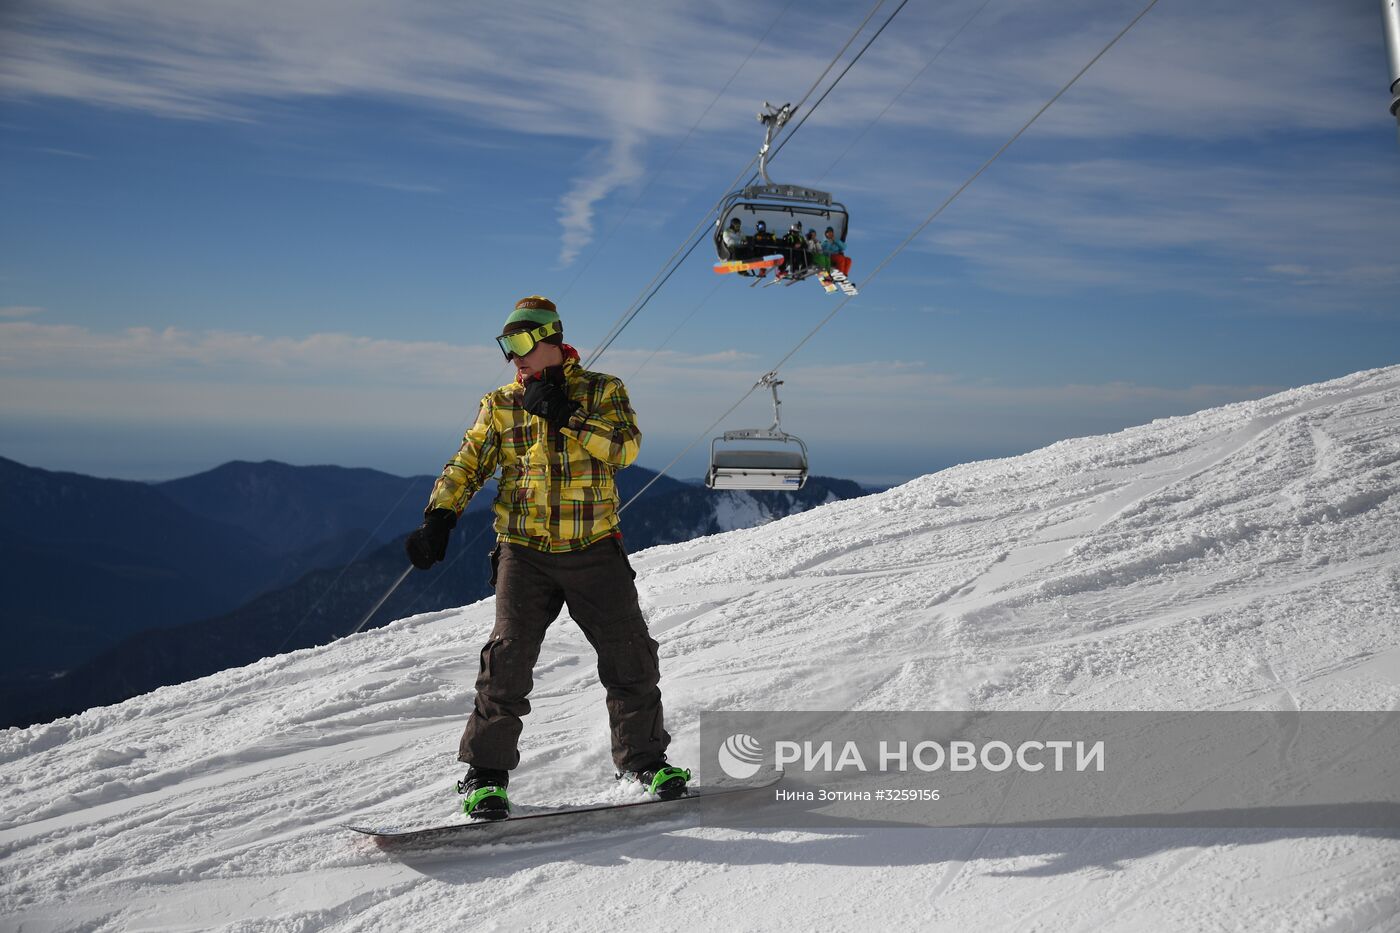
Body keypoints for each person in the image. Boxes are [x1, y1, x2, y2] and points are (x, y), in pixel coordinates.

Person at [405, 295, 688, 820]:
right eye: (505, 346)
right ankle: (485, 777)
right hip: (524, 552)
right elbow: (468, 463)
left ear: (552, 340)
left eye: (519, 343)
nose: (513, 357)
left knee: (629, 657)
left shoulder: (602, 390)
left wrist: (567, 415)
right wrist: (439, 515)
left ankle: (644, 763)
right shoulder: (501, 403)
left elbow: (625, 449)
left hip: (594, 548)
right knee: (506, 664)